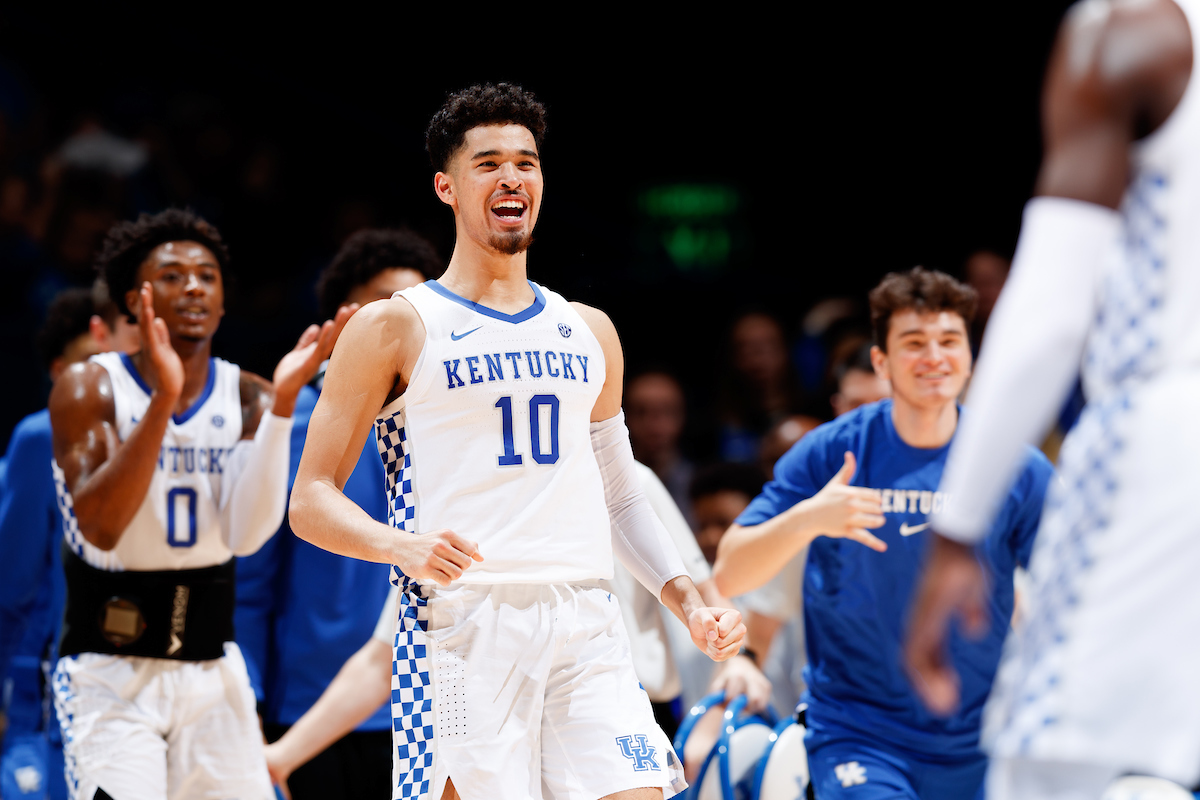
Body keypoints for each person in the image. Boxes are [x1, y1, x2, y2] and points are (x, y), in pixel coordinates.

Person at [288, 82, 744, 800]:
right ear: (447, 187)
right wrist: (397, 545)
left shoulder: (589, 329)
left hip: (585, 615)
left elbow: (621, 496)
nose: (512, 177)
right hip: (460, 622)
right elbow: (309, 501)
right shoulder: (396, 326)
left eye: (526, 162)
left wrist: (689, 603)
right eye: (488, 163)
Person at [905, 2, 1200, 797]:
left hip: (1167, 439)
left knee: (1053, 766)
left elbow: (1048, 314)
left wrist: (957, 527)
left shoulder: (1133, 32)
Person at [713, 268, 1053, 800]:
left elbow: (1072, 588)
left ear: (970, 357)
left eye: (948, 341)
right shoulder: (831, 451)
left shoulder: (1012, 464)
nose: (934, 357)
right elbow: (730, 570)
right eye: (914, 343)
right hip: (859, 734)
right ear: (882, 361)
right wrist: (809, 518)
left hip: (984, 737)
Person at [47, 208, 349, 800]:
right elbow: (103, 527)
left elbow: (245, 537)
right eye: (172, 275)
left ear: (222, 303)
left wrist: (285, 404)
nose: (192, 286)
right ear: (134, 301)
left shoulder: (251, 396)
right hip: (109, 668)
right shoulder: (89, 387)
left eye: (206, 276)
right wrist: (162, 400)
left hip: (213, 668)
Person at [235, 227, 440, 800]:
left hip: (428, 705)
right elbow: (249, 583)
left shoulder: (454, 423)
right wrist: (246, 704)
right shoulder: (292, 424)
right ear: (349, 317)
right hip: (307, 717)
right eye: (391, 306)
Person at [0, 283, 138, 800]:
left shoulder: (180, 432)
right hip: (60, 692)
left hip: (160, 682)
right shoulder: (41, 438)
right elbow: (11, 588)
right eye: (89, 360)